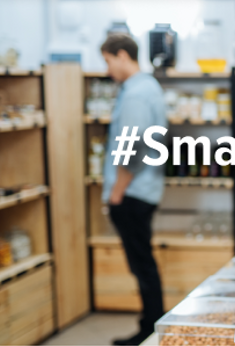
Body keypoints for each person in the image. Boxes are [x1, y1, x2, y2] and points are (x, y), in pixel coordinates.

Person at [100, 34, 168, 345]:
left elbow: (134, 146)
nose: (107, 69)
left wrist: (117, 192)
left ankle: (149, 330)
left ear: (123, 55)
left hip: (132, 193)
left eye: (108, 60)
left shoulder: (137, 94)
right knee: (144, 263)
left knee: (142, 265)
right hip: (143, 189)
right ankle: (150, 326)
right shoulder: (147, 87)